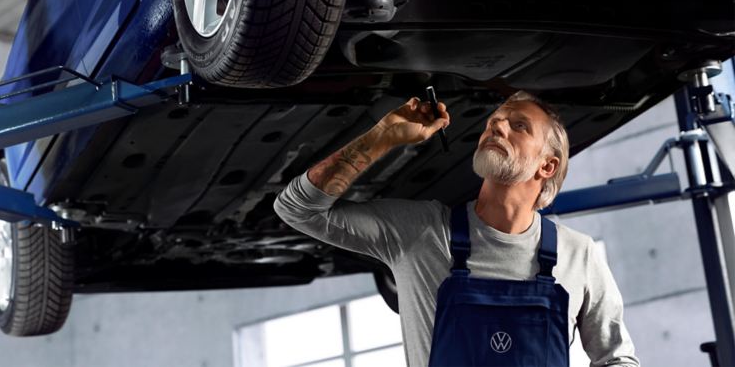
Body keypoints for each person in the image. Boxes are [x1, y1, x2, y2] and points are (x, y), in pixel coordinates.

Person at [273, 90, 640, 367]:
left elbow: (617, 359)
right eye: (494, 121)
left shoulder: (577, 254)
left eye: (519, 126)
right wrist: (384, 135)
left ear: (546, 166)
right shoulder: (419, 233)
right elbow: (297, 209)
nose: (497, 125)